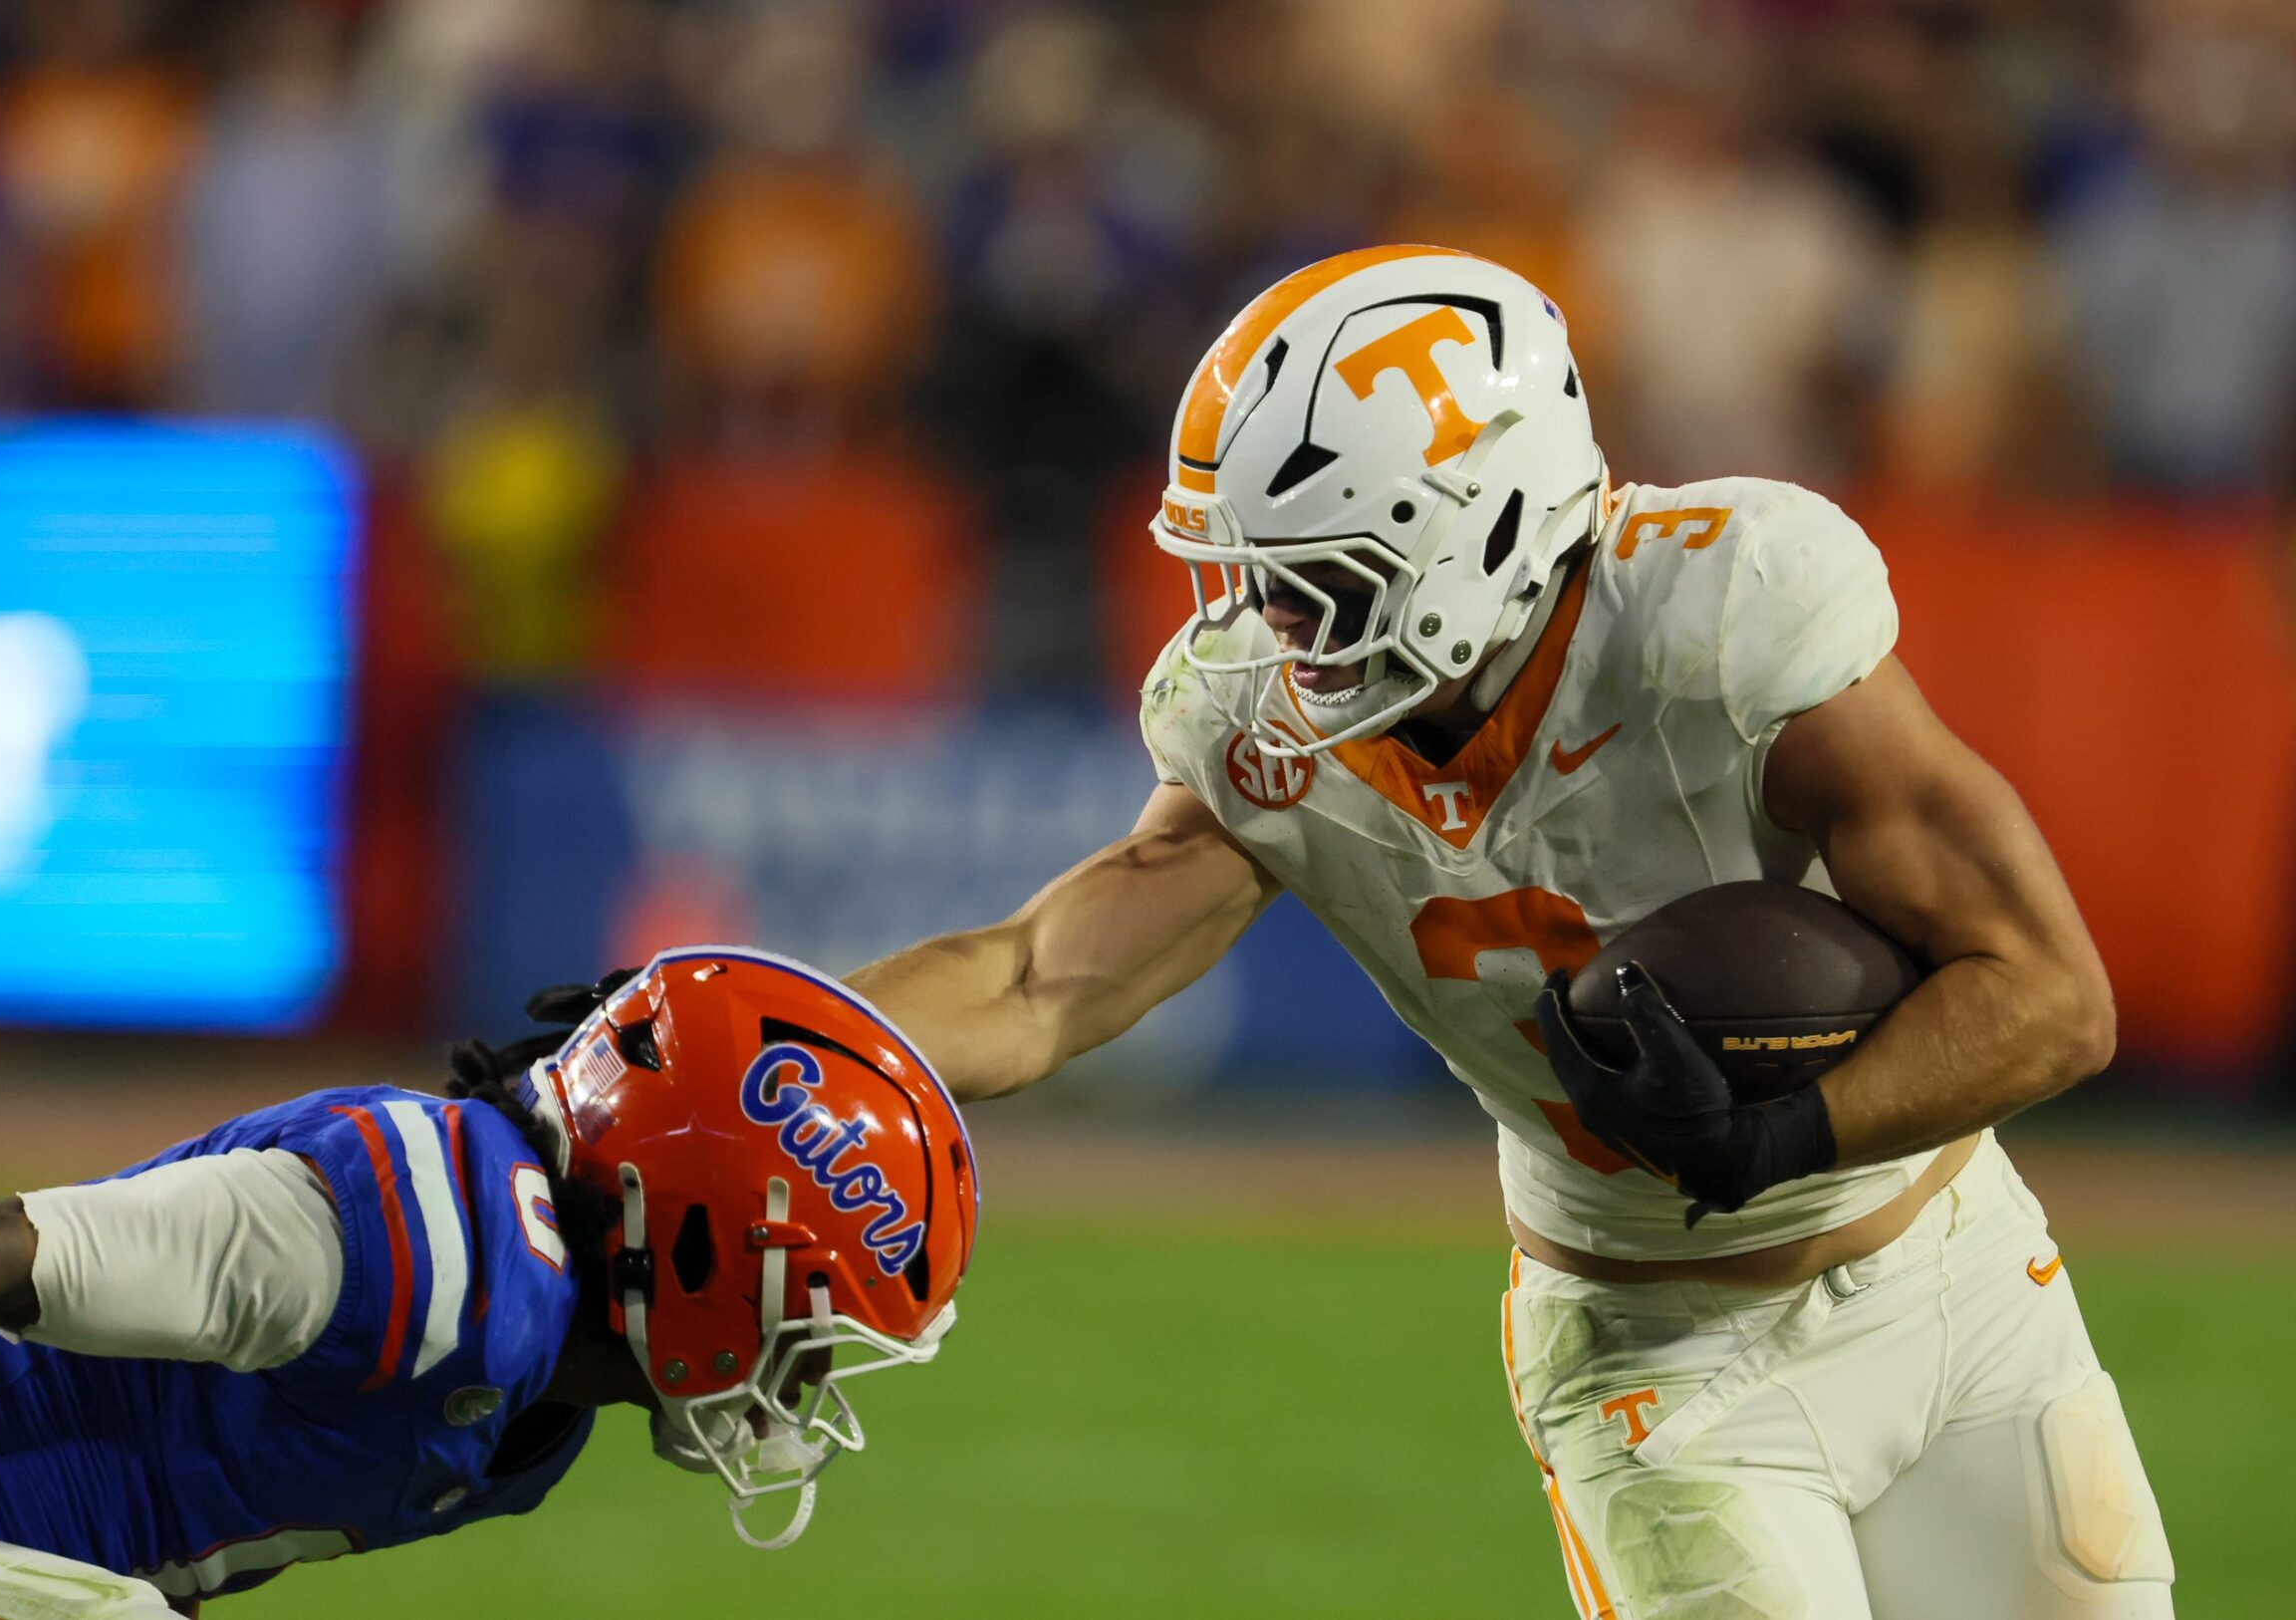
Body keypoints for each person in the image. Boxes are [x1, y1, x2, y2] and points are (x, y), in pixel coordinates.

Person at [850, 247, 2172, 1617]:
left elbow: (2052, 995)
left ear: (1474, 527)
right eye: (1257, 577)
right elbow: (1034, 975)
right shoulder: (1263, 725)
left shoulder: (1721, 610)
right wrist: (746, 1027)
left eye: (1316, 577)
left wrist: (1777, 1136)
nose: (1269, 624)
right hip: (1652, 1353)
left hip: (1956, 1287)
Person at [0, 948, 976, 1615]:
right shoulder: (411, 1247)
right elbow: (3, 1250)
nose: (800, 1371)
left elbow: (206, 1534)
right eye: (800, 1322)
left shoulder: (532, 1406)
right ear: (699, 1247)